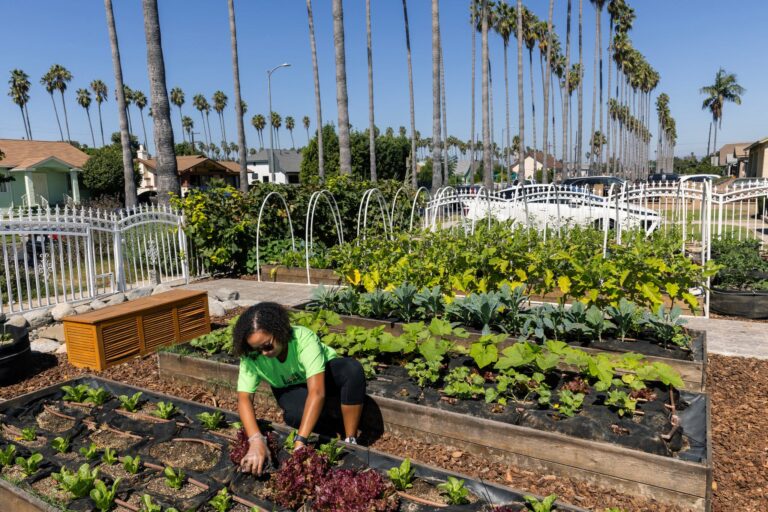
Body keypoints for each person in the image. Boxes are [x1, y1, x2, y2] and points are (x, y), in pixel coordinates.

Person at [232, 302, 366, 475]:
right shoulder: (250, 357)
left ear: (279, 330)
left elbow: (317, 392)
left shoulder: (302, 338)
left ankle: (350, 439)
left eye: (267, 346)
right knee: (295, 416)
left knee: (351, 370)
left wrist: (300, 442)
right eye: (257, 350)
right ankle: (329, 421)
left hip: (324, 376)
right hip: (288, 387)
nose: (264, 353)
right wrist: (256, 440)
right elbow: (244, 398)